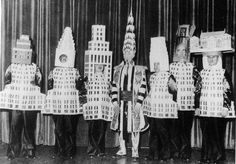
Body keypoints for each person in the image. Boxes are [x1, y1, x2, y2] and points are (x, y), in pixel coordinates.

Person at [0, 35, 45, 160]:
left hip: (29, 101)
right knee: (15, 126)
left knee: (29, 126)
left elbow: (38, 82)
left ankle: (29, 150)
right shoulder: (12, 66)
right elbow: (7, 80)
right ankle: (13, 151)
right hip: (15, 102)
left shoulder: (35, 67)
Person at [110, 10, 147, 159]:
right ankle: (123, 148)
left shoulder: (139, 70)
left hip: (133, 102)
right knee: (121, 127)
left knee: (134, 127)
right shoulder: (118, 69)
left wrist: (139, 103)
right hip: (121, 102)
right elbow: (113, 87)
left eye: (130, 51)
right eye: (125, 51)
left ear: (134, 53)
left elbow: (143, 87)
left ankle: (135, 149)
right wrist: (114, 102)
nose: (127, 54)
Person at [43, 27, 83, 159]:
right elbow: (50, 87)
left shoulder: (75, 71)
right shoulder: (54, 71)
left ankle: (70, 152)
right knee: (59, 130)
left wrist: (80, 80)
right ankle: (60, 151)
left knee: (70, 129)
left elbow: (79, 87)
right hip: (58, 104)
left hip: (71, 105)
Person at [195, 51, 234, 163]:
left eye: (214, 57)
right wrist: (197, 106)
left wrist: (226, 107)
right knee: (206, 133)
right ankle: (206, 157)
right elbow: (198, 90)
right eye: (209, 57)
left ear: (218, 58)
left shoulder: (223, 73)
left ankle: (218, 157)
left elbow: (228, 90)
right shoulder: (202, 73)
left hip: (218, 110)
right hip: (205, 109)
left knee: (217, 134)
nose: (211, 59)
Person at [143, 37, 178, 162]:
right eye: (155, 63)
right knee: (153, 132)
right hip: (153, 109)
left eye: (158, 63)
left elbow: (174, 91)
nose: (156, 66)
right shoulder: (152, 77)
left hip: (163, 111)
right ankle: (153, 154)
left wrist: (172, 88)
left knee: (164, 132)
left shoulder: (169, 76)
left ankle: (166, 154)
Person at [169, 42, 201, 161]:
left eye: (184, 51)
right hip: (174, 104)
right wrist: (170, 86)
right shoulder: (171, 67)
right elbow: (167, 86)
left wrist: (197, 105)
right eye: (179, 50)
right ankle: (175, 152)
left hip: (188, 104)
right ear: (175, 52)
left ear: (187, 53)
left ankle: (185, 153)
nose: (181, 53)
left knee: (185, 130)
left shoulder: (192, 67)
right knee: (174, 130)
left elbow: (198, 88)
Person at [85, 64, 112, 158]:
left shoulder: (107, 80)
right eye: (97, 65)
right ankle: (92, 150)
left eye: (101, 65)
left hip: (103, 109)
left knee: (101, 130)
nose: (99, 66)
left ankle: (100, 150)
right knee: (92, 129)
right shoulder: (89, 79)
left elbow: (110, 92)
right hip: (92, 108)